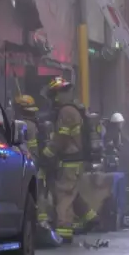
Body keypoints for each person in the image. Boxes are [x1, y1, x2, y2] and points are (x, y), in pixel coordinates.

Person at [40, 77, 99, 243]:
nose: (52, 99)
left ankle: (64, 231)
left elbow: (62, 137)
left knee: (64, 196)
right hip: (74, 161)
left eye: (54, 95)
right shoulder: (73, 109)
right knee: (72, 192)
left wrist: (47, 153)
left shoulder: (66, 111)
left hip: (69, 161)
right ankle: (90, 217)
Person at [14, 95, 52, 228]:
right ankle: (42, 221)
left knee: (34, 193)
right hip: (38, 163)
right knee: (40, 192)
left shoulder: (24, 125)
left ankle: (38, 221)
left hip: (30, 163)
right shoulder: (35, 125)